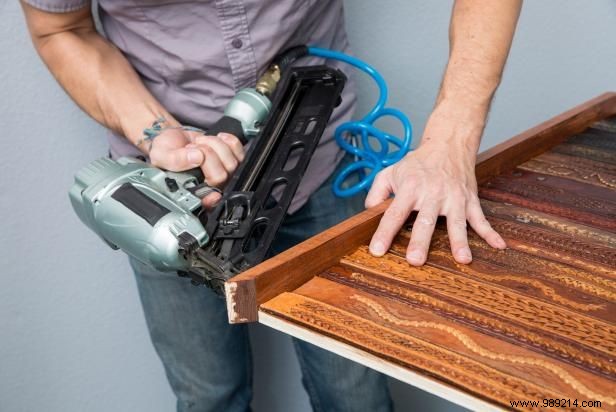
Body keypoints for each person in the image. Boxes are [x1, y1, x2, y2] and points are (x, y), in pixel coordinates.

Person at [21, 1, 521, 410]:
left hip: (321, 164)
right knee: (208, 396)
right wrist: (157, 130)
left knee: (355, 395)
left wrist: (451, 144)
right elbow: (59, 28)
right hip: (163, 187)